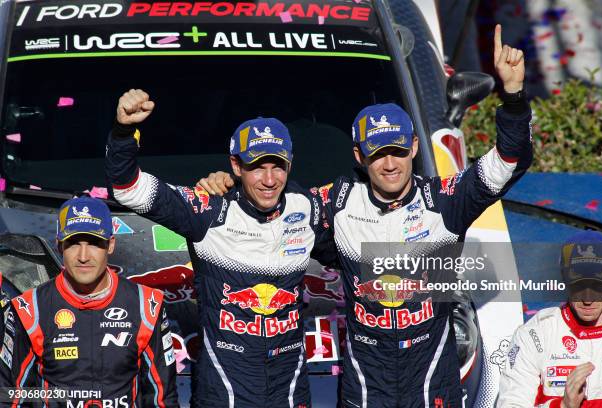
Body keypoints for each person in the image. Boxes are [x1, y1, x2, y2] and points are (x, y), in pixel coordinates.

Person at [197, 24, 532, 407]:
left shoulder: (446, 201)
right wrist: (229, 187)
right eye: (377, 153)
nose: (390, 164)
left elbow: (508, 162)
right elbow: (272, 199)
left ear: (415, 148)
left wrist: (514, 98)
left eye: (399, 151)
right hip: (364, 392)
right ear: (360, 157)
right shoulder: (335, 204)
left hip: (432, 389)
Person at [105, 92, 336, 408]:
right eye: (257, 166)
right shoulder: (208, 211)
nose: (269, 179)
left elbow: (360, 256)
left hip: (291, 392)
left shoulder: (307, 208)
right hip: (225, 393)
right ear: (236, 165)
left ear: (290, 164)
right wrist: (122, 134)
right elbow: (128, 189)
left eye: (278, 166)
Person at [0, 196, 177, 407]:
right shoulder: (29, 310)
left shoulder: (146, 305)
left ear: (110, 245)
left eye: (94, 243)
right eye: (74, 243)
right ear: (59, 246)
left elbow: (162, 398)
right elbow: (11, 396)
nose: (83, 256)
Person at [498, 231, 602, 407]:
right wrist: (562, 406)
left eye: (597, 285)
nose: (587, 299)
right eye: (579, 285)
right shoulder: (537, 333)